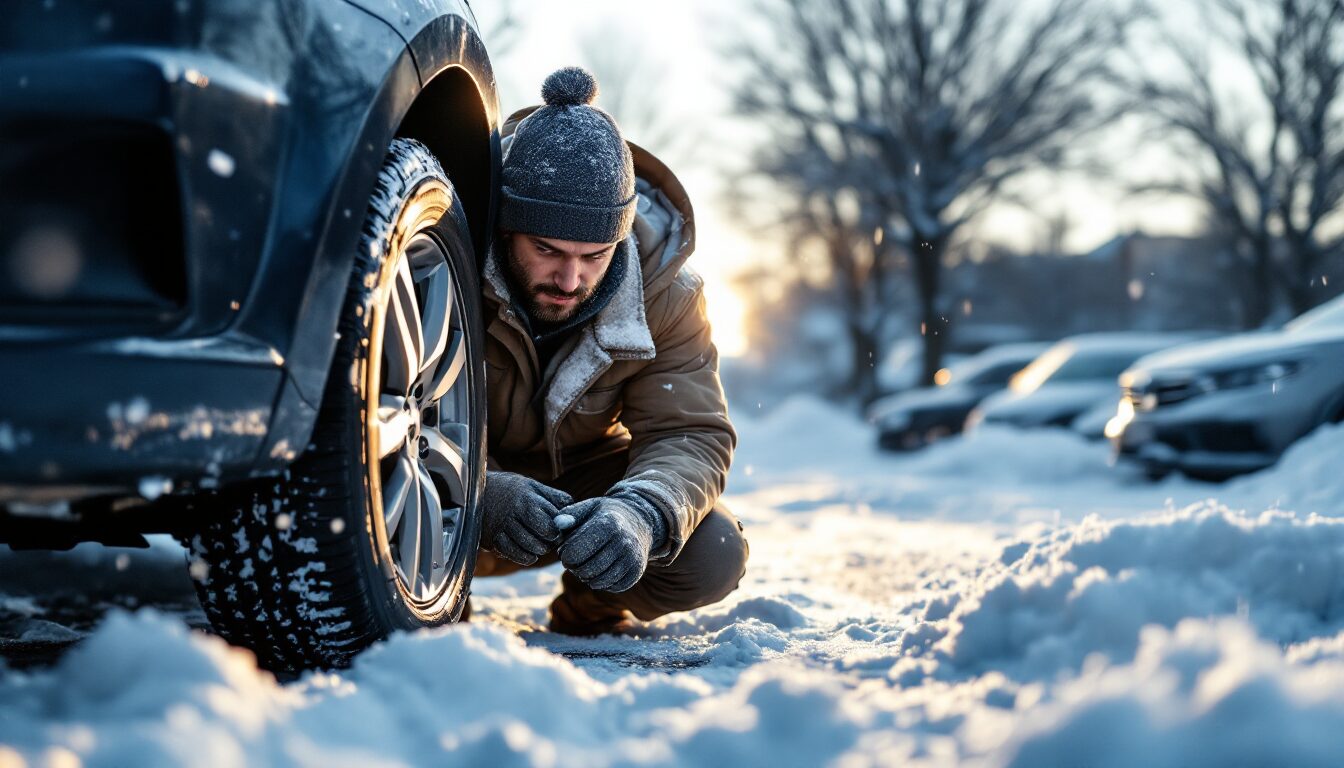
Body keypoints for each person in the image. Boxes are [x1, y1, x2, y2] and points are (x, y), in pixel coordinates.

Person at [471, 67, 746, 635]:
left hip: (578, 500)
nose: (570, 279)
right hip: (452, 494)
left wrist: (642, 512)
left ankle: (593, 607)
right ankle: (431, 602)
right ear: (505, 227)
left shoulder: (667, 293)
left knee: (711, 552)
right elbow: (371, 412)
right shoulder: (442, 258)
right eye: (546, 249)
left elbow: (690, 433)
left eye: (594, 254)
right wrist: (477, 491)